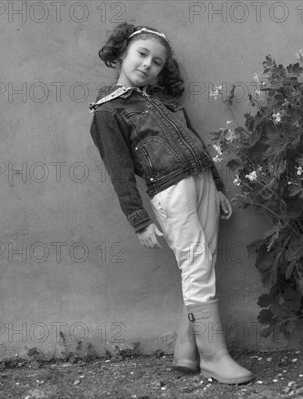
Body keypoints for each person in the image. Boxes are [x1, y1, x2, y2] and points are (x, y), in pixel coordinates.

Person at [88, 23, 253, 385]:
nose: (148, 64)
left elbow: (195, 141)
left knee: (202, 263)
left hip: (203, 182)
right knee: (195, 265)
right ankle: (214, 356)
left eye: (157, 61)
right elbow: (118, 171)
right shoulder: (108, 111)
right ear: (122, 54)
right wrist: (138, 219)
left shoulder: (164, 101)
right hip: (169, 189)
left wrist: (219, 185)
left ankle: (185, 348)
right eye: (141, 54)